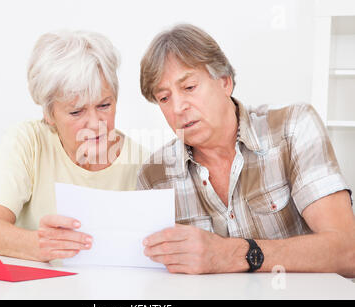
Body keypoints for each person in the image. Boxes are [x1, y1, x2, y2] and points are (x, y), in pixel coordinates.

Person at [138, 23, 355, 277]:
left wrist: (234, 254)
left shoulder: (293, 128)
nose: (177, 108)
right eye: (164, 98)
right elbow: (146, 277)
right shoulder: (155, 176)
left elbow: (347, 252)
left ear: (225, 83)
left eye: (189, 87)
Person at [0, 30, 148, 263]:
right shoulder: (28, 141)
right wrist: (41, 244)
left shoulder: (143, 163)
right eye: (76, 111)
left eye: (104, 105)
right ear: (49, 114)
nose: (95, 124)